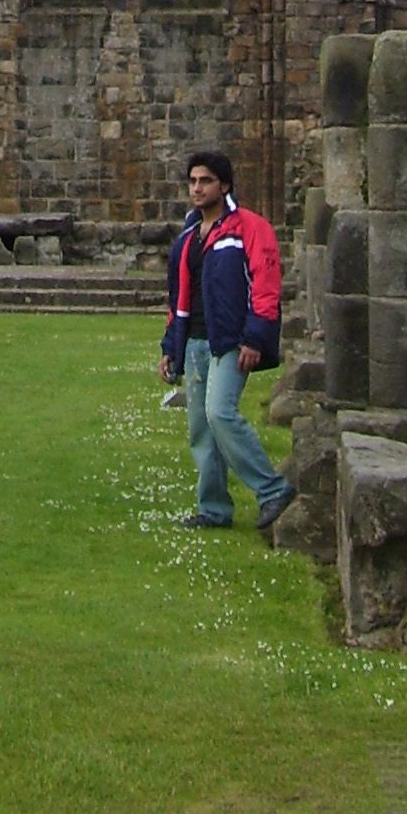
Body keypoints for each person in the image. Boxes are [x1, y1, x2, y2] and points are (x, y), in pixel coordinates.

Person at [159, 150, 296, 532]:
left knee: (221, 412)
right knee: (201, 426)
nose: (197, 188)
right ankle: (214, 509)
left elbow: (266, 286)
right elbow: (179, 295)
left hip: (232, 339)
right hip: (196, 340)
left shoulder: (250, 227)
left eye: (205, 181)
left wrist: (255, 337)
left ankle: (271, 490)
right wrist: (172, 346)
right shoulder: (190, 233)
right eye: (192, 181)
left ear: (225, 185)